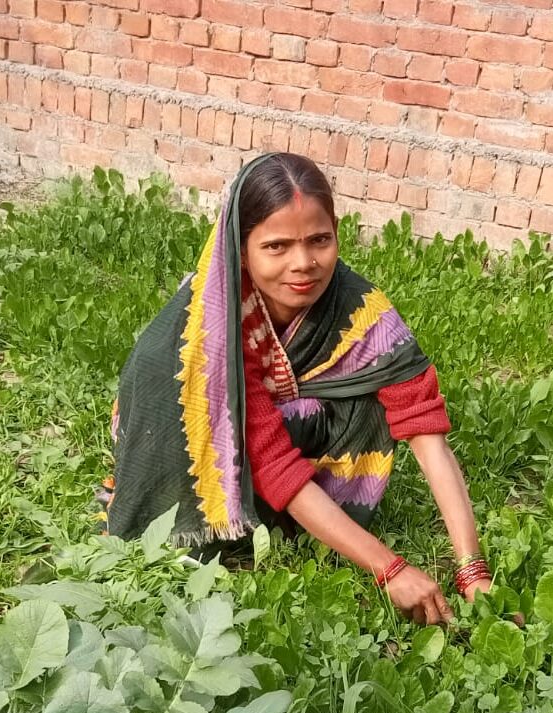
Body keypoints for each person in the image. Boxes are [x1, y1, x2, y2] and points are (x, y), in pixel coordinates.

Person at [100, 152, 493, 625]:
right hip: (186, 437)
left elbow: (425, 428)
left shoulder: (358, 308)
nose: (304, 264)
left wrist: (474, 571)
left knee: (367, 399)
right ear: (239, 248)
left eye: (319, 241)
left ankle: (302, 524)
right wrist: (390, 570)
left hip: (277, 441)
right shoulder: (215, 328)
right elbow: (270, 461)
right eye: (277, 247)